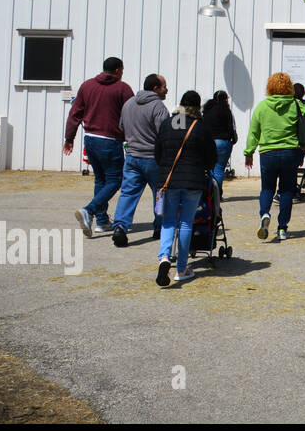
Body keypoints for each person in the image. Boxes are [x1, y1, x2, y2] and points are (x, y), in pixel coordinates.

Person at [153, 90, 217, 286]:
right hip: (193, 181)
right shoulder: (200, 126)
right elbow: (211, 156)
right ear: (198, 107)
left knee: (168, 221)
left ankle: (164, 257)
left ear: (180, 104)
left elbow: (158, 152)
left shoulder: (168, 124)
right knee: (187, 223)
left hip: (169, 180)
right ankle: (181, 268)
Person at [65, 57, 134, 238]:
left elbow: (75, 113)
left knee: (100, 180)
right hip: (110, 140)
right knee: (115, 180)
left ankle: (102, 221)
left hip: (90, 138)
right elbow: (131, 115)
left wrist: (69, 138)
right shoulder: (123, 88)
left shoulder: (87, 86)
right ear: (118, 70)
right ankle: (89, 210)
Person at [244, 72, 305, 242]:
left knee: (267, 189)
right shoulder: (297, 105)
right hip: (290, 152)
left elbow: (254, 132)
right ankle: (282, 228)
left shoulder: (262, 106)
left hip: (268, 153)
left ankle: (265, 214)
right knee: (286, 191)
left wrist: (248, 152)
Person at [111, 73, 169, 246]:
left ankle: (120, 227)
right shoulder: (158, 106)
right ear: (155, 89)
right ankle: (159, 227)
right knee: (160, 193)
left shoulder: (128, 103)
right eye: (164, 86)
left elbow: (121, 126)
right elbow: (164, 133)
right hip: (153, 158)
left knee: (128, 193)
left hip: (132, 156)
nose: (167, 90)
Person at [202, 90, 238, 190]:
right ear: (225, 99)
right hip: (223, 142)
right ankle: (217, 194)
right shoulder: (226, 111)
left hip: (209, 142)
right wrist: (233, 139)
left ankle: (209, 194)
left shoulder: (206, 111)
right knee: (219, 169)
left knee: (210, 169)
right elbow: (232, 128)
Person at [292, 83, 305, 202]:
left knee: (291, 169)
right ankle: (291, 191)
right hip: (301, 141)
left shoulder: (288, 105)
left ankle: (289, 190)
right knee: (293, 168)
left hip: (290, 140)